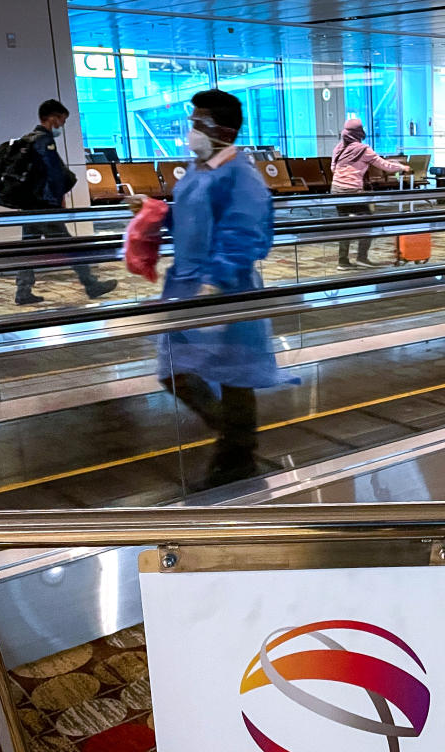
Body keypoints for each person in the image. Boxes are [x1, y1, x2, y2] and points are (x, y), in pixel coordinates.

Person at [154, 89, 279, 488]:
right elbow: (191, 218)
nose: (191, 130)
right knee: (178, 369)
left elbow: (247, 235)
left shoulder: (241, 176)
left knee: (233, 374)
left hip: (224, 288)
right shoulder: (199, 169)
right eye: (192, 121)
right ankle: (238, 446)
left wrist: (215, 279)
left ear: (223, 129)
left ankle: (238, 455)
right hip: (191, 285)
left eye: (198, 122)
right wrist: (155, 213)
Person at [14, 99, 117, 305]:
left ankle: (23, 291)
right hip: (45, 206)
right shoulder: (44, 141)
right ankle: (91, 284)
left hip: (30, 206)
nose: (62, 125)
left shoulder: (28, 139)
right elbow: (54, 173)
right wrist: (58, 196)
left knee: (28, 248)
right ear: (52, 117)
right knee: (70, 246)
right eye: (61, 120)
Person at [330, 118, 408, 270]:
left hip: (336, 190)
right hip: (353, 191)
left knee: (344, 226)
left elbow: (334, 169)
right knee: (368, 224)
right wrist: (402, 168)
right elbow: (384, 165)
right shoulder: (363, 149)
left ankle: (343, 261)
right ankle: (362, 258)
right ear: (359, 132)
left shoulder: (338, 148)